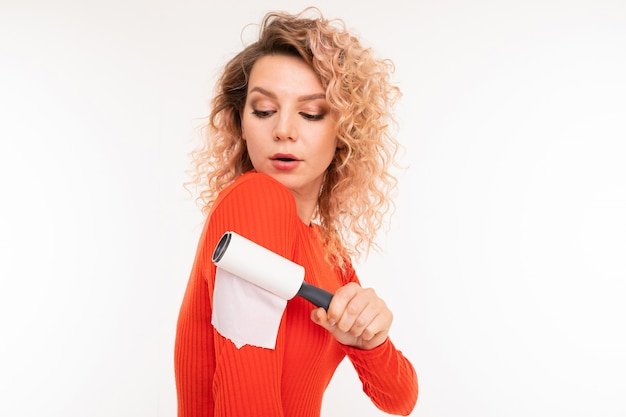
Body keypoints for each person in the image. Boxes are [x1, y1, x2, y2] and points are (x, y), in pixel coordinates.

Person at [174, 7, 418, 417]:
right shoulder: (254, 199)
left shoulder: (329, 252)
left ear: (344, 133)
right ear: (241, 123)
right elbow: (245, 400)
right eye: (264, 110)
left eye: (311, 113)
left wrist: (371, 340)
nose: (284, 129)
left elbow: (399, 399)